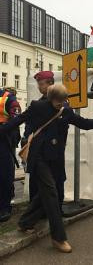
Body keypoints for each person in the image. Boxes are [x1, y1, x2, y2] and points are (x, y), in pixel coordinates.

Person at [0, 84, 93, 252]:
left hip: (56, 159)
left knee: (45, 193)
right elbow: (17, 121)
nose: (61, 105)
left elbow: (83, 123)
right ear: (50, 99)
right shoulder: (37, 107)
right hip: (39, 157)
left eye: (63, 101)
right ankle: (58, 238)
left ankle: (25, 222)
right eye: (58, 102)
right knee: (51, 194)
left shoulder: (66, 110)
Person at [22, 71, 67, 208]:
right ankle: (38, 213)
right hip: (39, 150)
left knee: (57, 180)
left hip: (56, 149)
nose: (39, 87)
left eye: (41, 84)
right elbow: (29, 123)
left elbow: (64, 126)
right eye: (38, 84)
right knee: (37, 183)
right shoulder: (38, 104)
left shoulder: (62, 103)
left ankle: (56, 211)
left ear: (51, 84)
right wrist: (26, 137)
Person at [0, 87, 21, 222]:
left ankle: (4, 208)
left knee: (4, 175)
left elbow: (17, 119)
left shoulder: (7, 98)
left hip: (3, 142)